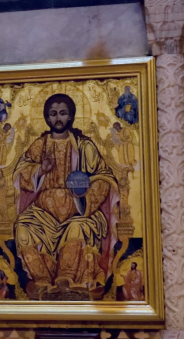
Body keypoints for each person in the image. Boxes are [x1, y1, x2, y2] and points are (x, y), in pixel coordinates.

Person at [11, 93, 119, 294]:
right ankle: (42, 278)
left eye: (62, 113)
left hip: (78, 211)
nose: (57, 118)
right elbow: (21, 172)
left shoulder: (84, 146)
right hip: (42, 214)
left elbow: (104, 177)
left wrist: (82, 197)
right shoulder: (39, 146)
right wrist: (40, 170)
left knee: (78, 228)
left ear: (70, 116)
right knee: (23, 228)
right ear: (46, 117)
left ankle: (67, 279)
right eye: (52, 114)